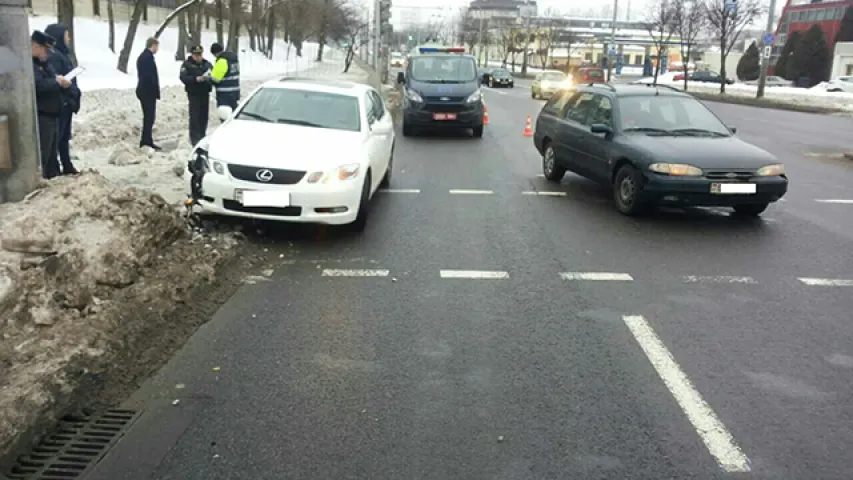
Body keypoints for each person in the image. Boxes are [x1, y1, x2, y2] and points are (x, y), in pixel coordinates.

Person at [32, 30, 71, 179]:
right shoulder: (31, 65)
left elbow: (52, 78)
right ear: (35, 46)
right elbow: (38, 85)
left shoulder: (44, 64)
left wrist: (60, 80)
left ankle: (51, 177)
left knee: (51, 155)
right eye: (45, 50)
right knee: (44, 154)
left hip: (53, 114)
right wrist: (56, 81)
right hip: (43, 115)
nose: (48, 54)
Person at [44, 23, 81, 175]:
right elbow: (55, 78)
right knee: (57, 137)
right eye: (66, 35)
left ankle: (66, 164)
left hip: (67, 102)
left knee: (64, 137)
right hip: (61, 103)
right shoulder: (54, 56)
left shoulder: (62, 54)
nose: (69, 39)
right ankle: (53, 168)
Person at [179, 45, 213, 146]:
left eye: (200, 54)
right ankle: (194, 138)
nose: (198, 57)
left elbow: (213, 73)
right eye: (196, 55)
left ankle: (202, 136)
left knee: (204, 116)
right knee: (194, 116)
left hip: (204, 92)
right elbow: (183, 77)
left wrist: (208, 79)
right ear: (192, 54)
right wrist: (195, 79)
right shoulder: (187, 64)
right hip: (193, 93)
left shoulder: (206, 64)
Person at [136, 37, 161, 150]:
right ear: (153, 45)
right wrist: (153, 90)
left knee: (149, 117)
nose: (158, 49)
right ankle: (145, 141)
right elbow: (148, 77)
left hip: (145, 91)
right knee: (149, 117)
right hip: (147, 92)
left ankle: (148, 139)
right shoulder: (147, 58)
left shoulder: (145, 57)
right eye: (157, 46)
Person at [209, 42, 240, 110]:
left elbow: (215, 80)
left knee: (224, 115)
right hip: (235, 92)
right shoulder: (233, 59)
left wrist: (208, 77)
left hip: (224, 95)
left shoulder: (222, 61)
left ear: (215, 53)